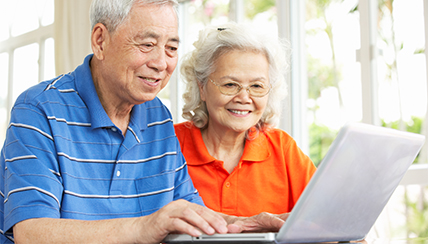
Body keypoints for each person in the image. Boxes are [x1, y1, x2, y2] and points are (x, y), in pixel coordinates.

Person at [0, 1, 286, 243]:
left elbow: (191, 214)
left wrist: (250, 224)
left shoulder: (157, 115)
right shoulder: (38, 108)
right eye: (147, 44)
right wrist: (145, 226)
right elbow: (31, 231)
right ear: (101, 40)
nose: (161, 62)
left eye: (171, 48)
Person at [174, 22, 317, 217]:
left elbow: (326, 218)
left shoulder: (282, 149)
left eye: (257, 86)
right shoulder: (168, 144)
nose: (243, 97)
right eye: (230, 84)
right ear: (202, 88)